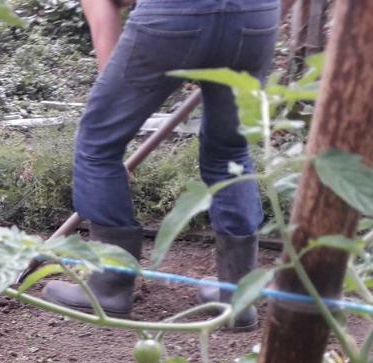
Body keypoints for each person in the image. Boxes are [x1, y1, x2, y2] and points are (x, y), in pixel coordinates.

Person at [43, 0, 283, 329]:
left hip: (173, 17)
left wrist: (112, 141)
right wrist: (243, 30)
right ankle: (237, 297)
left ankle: (108, 287)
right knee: (229, 150)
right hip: (256, 16)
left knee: (98, 143)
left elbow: (103, 10)